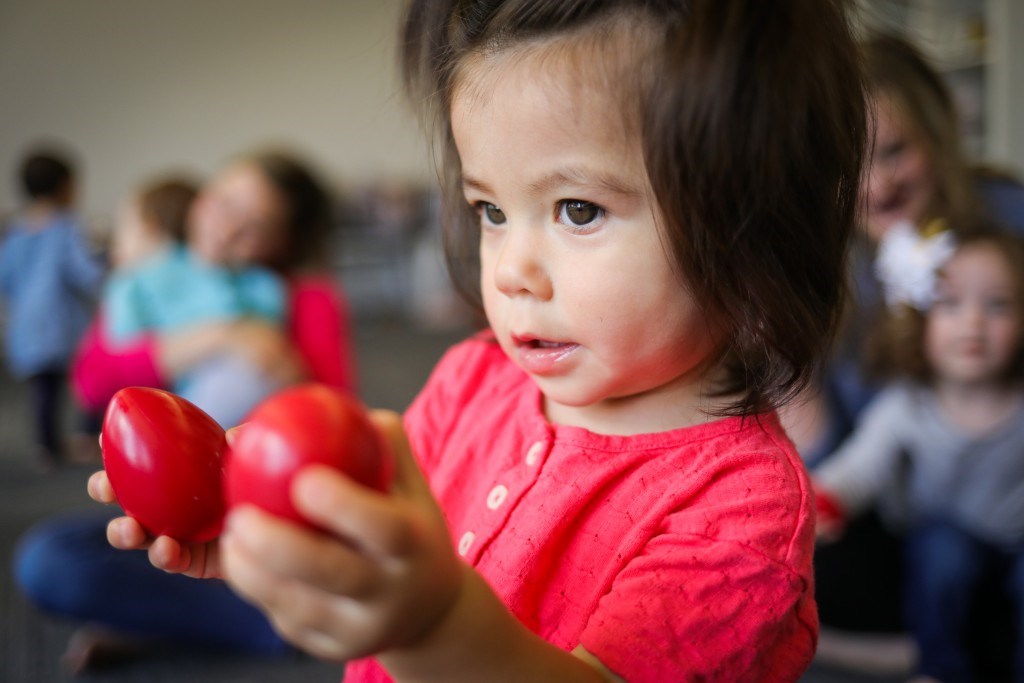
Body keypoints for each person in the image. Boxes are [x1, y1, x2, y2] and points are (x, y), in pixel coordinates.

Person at [86, 1, 866, 681]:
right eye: (492, 211)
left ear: (756, 230)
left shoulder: (743, 512)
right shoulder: (474, 380)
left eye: (579, 210)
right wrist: (273, 529)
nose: (513, 271)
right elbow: (378, 537)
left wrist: (431, 625)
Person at [14, 149, 358, 672]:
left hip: (263, 512)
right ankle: (263, 619)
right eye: (223, 201)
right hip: (180, 509)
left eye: (254, 225)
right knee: (49, 558)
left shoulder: (298, 299)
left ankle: (264, 616)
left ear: (282, 243)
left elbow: (338, 422)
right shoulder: (155, 280)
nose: (226, 225)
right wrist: (216, 335)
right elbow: (93, 382)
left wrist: (287, 387)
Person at [813, 225, 1024, 683]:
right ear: (920, 322)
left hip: (1015, 543)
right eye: (950, 305)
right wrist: (824, 500)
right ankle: (939, 669)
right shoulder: (909, 403)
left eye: (998, 306)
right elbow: (860, 465)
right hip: (939, 544)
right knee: (943, 555)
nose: (973, 323)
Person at [104, 174, 288, 429]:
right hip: (179, 404)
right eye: (227, 206)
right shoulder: (140, 280)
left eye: (255, 227)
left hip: (250, 405)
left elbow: (268, 354)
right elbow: (124, 358)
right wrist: (224, 334)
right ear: (201, 203)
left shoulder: (265, 285)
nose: (230, 230)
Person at [0, 145, 105, 469]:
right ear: (64, 187)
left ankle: (44, 445)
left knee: (42, 386)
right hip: (59, 323)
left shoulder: (15, 234)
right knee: (89, 374)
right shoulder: (64, 228)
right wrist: (105, 263)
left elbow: (5, 277)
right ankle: (86, 435)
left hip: (25, 324)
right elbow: (84, 271)